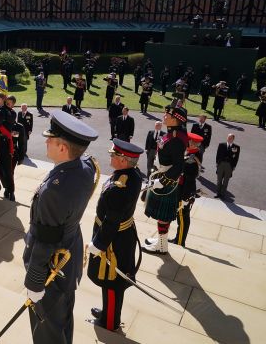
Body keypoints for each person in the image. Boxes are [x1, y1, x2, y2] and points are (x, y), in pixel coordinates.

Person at [23, 111, 98, 344]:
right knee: (63, 320)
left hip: (52, 270)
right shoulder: (85, 167)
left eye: (51, 139)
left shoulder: (55, 190)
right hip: (69, 256)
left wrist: (35, 283)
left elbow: (45, 240)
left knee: (47, 330)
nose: (46, 141)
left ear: (63, 148)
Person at [87, 139, 143, 331]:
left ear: (124, 160)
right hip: (120, 235)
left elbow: (112, 220)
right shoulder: (129, 174)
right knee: (108, 281)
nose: (111, 156)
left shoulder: (121, 185)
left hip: (114, 240)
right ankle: (107, 312)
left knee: (112, 282)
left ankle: (110, 322)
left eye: (114, 155)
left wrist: (99, 244)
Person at [143, 101, 188, 254]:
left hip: (166, 181)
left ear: (175, 119)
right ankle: (161, 241)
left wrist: (161, 182)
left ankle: (162, 247)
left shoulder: (176, 139)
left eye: (167, 115)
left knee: (163, 216)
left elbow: (178, 167)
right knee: (161, 216)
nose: (164, 116)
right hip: (161, 175)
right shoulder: (170, 134)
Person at [170, 133, 203, 247]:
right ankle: (178, 238)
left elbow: (190, 178)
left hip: (185, 191)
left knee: (183, 217)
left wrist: (185, 197)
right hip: (182, 189)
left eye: (189, 142)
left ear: (192, 143)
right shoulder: (189, 154)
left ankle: (180, 241)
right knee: (181, 216)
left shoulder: (193, 158)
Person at [0, 95, 17, 201]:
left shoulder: (12, 113)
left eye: (9, 103)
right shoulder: (1, 109)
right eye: (6, 102)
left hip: (5, 143)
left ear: (13, 104)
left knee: (7, 169)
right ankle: (6, 188)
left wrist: (2, 107)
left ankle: (11, 191)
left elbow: (7, 119)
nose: (7, 104)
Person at [215, 134, 240, 200]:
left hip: (229, 165)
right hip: (221, 164)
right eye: (228, 137)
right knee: (219, 179)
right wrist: (217, 163)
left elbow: (236, 158)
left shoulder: (236, 147)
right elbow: (218, 154)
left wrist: (234, 166)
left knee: (226, 180)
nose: (229, 139)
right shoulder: (221, 145)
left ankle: (223, 194)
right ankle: (218, 193)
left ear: (233, 139)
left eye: (230, 138)